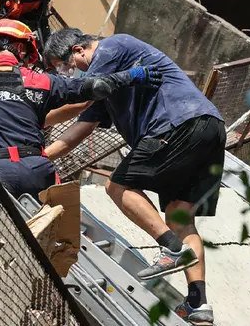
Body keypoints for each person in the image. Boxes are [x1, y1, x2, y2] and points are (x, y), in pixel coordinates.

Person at [43, 29, 225, 326]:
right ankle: (198, 304)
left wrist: (35, 112)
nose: (69, 72)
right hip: (209, 129)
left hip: (175, 124)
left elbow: (79, 99)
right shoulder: (104, 89)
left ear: (78, 50)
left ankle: (170, 248)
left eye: (66, 65)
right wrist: (41, 157)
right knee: (180, 218)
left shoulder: (112, 47)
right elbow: (79, 130)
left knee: (116, 186)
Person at [0, 19, 161, 201]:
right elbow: (95, 87)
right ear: (21, 49)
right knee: (61, 245)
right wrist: (132, 75)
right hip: (41, 171)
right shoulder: (40, 81)